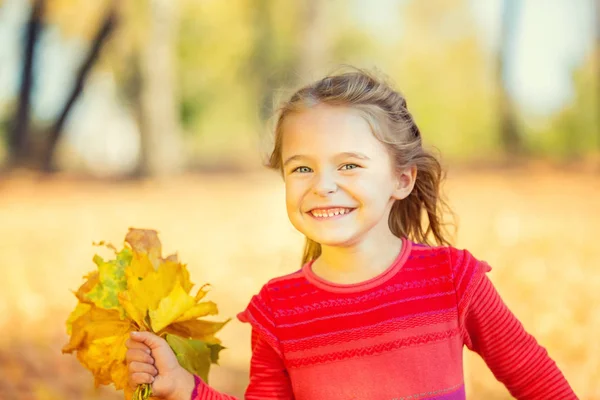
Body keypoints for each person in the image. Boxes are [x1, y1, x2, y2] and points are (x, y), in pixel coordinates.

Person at [125, 67, 577, 399]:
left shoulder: (452, 280)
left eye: (349, 165)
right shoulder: (279, 311)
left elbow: (536, 380)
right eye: (302, 167)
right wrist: (184, 387)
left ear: (402, 179)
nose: (323, 184)